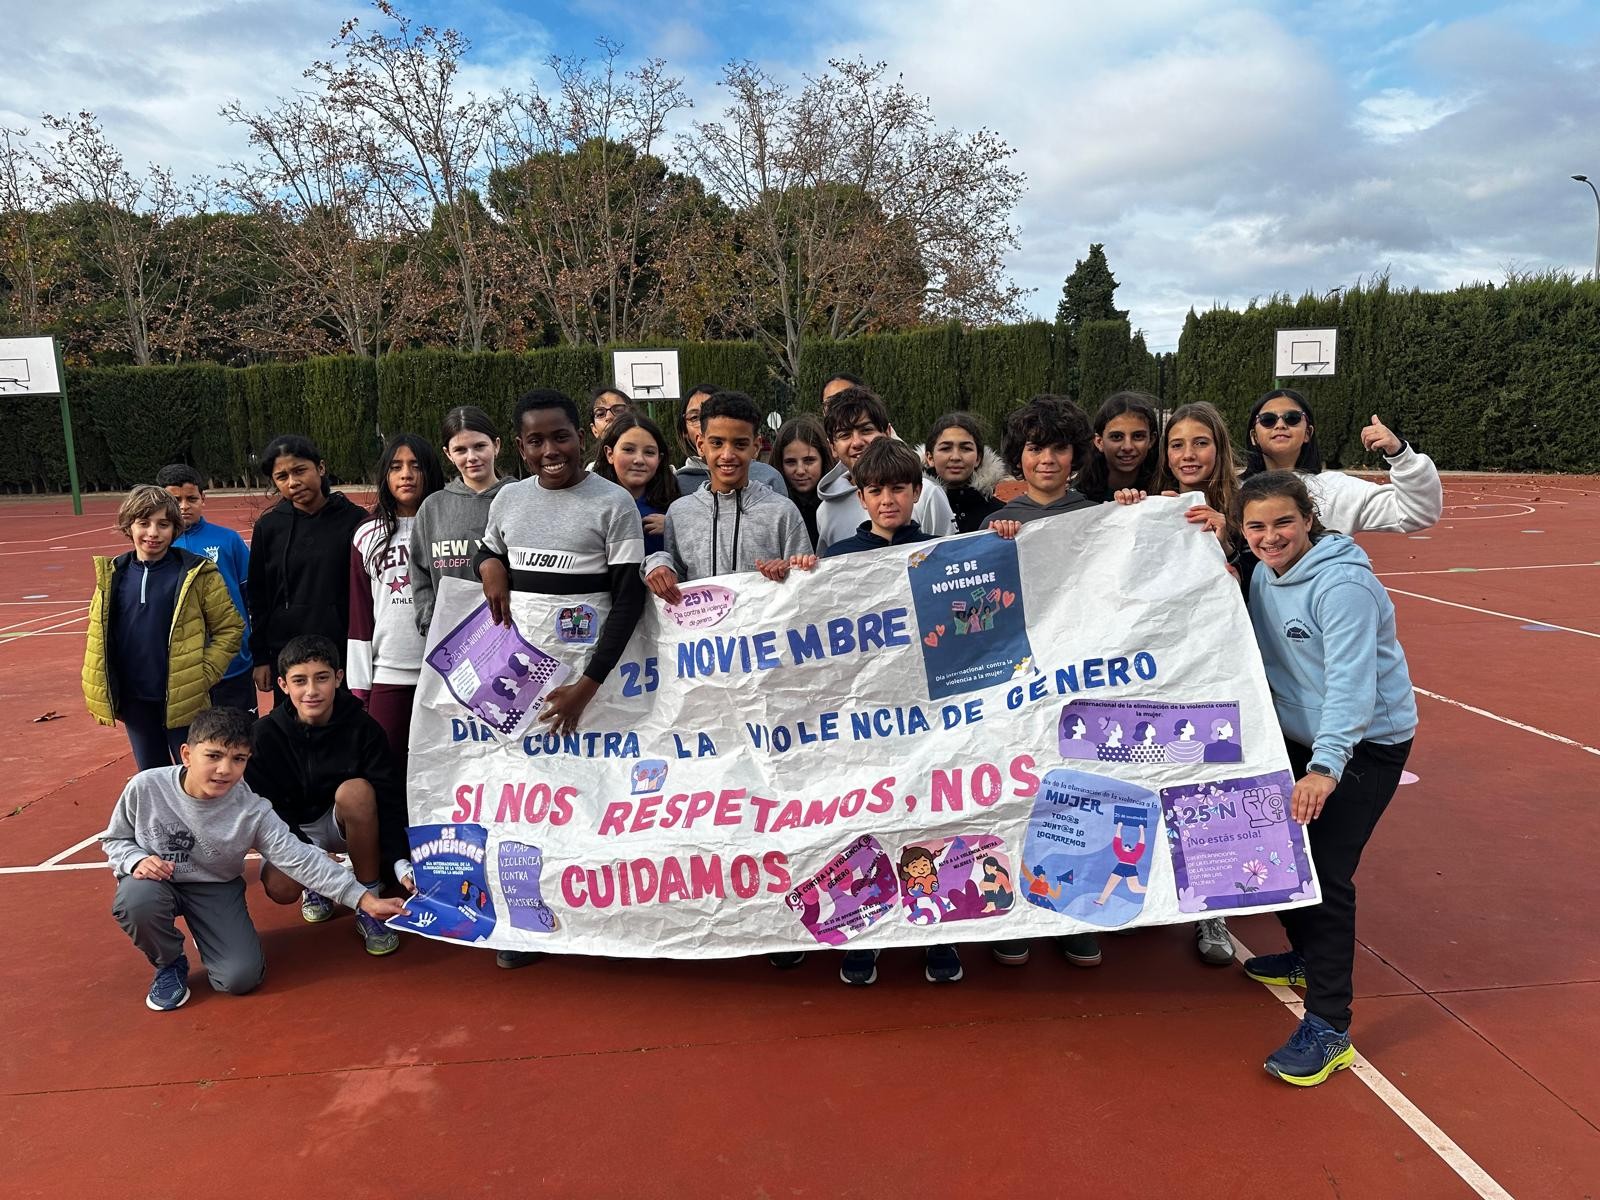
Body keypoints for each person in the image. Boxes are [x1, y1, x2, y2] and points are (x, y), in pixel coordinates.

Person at [1234, 470, 1417, 1086]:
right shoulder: (1262, 573)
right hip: (1298, 735)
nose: (1270, 536)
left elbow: (1351, 687)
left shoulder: (1342, 586)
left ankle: (1330, 1026)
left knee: (1327, 876)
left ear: (1308, 519)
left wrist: (1324, 768)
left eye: (1283, 522)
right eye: (1256, 526)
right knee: (1276, 855)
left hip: (1364, 745)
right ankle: (1307, 957)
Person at [478, 389, 648, 969]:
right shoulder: (507, 499)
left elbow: (628, 603)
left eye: (561, 436)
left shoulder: (614, 503)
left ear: (583, 438)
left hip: (594, 687)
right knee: (528, 804)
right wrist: (491, 567)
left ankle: (606, 920)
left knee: (599, 798)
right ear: (519, 447)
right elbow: (487, 547)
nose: (550, 450)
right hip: (523, 685)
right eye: (535, 440)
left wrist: (588, 686)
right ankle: (527, 922)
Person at [102, 706, 409, 1011]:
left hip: (214, 886)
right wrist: (134, 860)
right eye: (213, 756)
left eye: (238, 759)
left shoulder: (251, 810)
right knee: (135, 898)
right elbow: (116, 839)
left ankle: (211, 932)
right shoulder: (145, 787)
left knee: (241, 978)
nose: (225, 769)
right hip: (157, 882)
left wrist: (364, 899)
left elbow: (298, 857)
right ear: (186, 754)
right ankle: (169, 963)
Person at [818, 438, 961, 986]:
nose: (887, 500)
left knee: (933, 816)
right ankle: (867, 933)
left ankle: (939, 930)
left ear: (917, 491)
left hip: (930, 714)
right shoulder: (836, 560)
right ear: (859, 495)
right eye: (875, 490)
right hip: (864, 718)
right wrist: (800, 573)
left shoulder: (943, 552)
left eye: (899, 488)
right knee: (864, 823)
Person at [244, 635, 409, 956]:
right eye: (299, 681)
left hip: (343, 822)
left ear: (338, 678)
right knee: (281, 887)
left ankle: (368, 899)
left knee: (357, 791)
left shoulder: (364, 728)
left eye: (321, 678)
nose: (311, 690)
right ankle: (317, 886)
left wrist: (401, 861)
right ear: (283, 684)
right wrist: (307, 855)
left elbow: (387, 799)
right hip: (290, 830)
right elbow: (262, 810)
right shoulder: (263, 736)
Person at [83, 486, 244, 769]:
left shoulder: (197, 573)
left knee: (194, 777)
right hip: (136, 701)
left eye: (163, 524)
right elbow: (98, 635)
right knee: (152, 777)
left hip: (184, 700)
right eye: (143, 524)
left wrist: (203, 674)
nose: (153, 533)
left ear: (175, 528)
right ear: (128, 526)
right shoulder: (114, 575)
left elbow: (230, 628)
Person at [646, 391, 812, 601]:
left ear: (756, 446)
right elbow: (674, 581)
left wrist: (790, 570)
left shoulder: (783, 511)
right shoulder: (679, 514)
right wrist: (657, 563)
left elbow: (805, 585)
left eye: (740, 444)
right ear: (700, 444)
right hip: (702, 633)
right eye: (717, 443)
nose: (727, 455)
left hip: (766, 632)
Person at [247, 434, 369, 702]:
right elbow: (258, 597)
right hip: (287, 656)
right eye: (282, 477)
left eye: (300, 470)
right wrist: (261, 658)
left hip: (344, 655)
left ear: (321, 468)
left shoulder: (357, 521)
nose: (293, 482)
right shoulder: (269, 528)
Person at [349, 433, 445, 763]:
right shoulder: (367, 533)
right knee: (385, 765)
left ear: (430, 471)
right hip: (389, 670)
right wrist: (360, 684)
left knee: (441, 765)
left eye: (415, 466)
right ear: (385, 476)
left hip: (446, 670)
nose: (406, 474)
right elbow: (360, 615)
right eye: (396, 467)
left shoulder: (448, 525)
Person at [1242, 389, 1443, 534]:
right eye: (1268, 420)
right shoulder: (1231, 489)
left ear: (1308, 433)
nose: (1280, 425)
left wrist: (1400, 454)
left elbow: (1416, 514)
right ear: (1253, 436)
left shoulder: (1337, 489)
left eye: (1292, 418)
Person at [158, 464, 255, 714]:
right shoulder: (158, 545)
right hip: (183, 669)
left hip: (234, 662)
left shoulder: (228, 540)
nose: (183, 506)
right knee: (196, 743)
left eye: (191, 498)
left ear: (204, 497)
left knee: (242, 738)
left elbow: (250, 595)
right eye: (174, 499)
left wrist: (255, 649)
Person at [410, 406, 514, 637]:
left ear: (496, 445)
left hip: (512, 635)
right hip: (453, 640)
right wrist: (430, 625)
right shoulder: (432, 507)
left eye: (479, 446)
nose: (471, 457)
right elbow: (419, 574)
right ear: (448, 454)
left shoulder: (521, 498)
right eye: (460, 449)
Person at [815, 388, 953, 552]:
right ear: (832, 447)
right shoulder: (826, 511)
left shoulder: (927, 493)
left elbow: (949, 560)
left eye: (866, 430)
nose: (857, 442)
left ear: (887, 432)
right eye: (845, 435)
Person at [982, 395, 1096, 535]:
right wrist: (995, 542)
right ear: (1019, 457)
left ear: (1075, 454)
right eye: (1036, 449)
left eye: (1060, 448)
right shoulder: (995, 525)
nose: (1047, 459)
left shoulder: (1098, 517)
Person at [675, 382, 789, 497]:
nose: (727, 456)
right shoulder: (677, 486)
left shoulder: (769, 478)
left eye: (715, 413)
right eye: (695, 417)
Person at [594, 412, 681, 558]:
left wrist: (675, 527)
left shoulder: (675, 506)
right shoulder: (593, 504)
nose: (639, 460)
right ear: (610, 454)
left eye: (649, 452)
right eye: (628, 450)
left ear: (659, 459)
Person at [922, 412, 1005, 533]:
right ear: (930, 458)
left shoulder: (1001, 514)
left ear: (978, 458)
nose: (955, 457)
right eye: (945, 448)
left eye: (966, 448)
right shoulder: (913, 512)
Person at [1074, 392, 1161, 503]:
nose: (1127, 447)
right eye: (1117, 437)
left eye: (1138, 436)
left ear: (1151, 440)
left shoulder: (1165, 490)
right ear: (1099, 442)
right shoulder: (1077, 496)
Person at [768, 415, 833, 549]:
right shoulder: (770, 509)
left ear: (823, 459)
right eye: (790, 462)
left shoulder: (837, 504)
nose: (800, 470)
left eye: (809, 460)